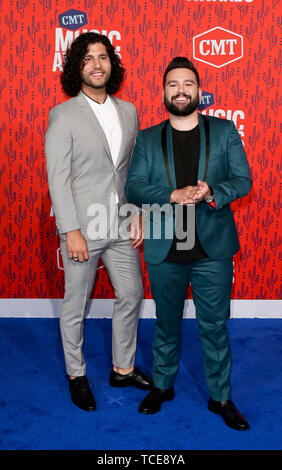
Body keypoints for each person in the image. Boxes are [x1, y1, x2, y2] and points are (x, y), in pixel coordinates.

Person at [125, 57, 251, 430]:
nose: (180, 90)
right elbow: (134, 186)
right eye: (173, 85)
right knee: (165, 324)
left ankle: (221, 397)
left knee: (214, 326)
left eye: (188, 84)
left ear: (199, 90)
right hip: (165, 244)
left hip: (213, 248)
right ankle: (162, 387)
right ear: (163, 92)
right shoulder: (147, 138)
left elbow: (243, 180)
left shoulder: (224, 131)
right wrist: (172, 195)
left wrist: (214, 190)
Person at [45, 32, 152, 412]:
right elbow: (57, 177)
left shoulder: (129, 111)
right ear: (77, 67)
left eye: (102, 57)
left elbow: (133, 172)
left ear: (112, 63)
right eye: (87, 58)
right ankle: (77, 374)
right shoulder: (64, 115)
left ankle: (122, 368)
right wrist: (70, 230)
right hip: (82, 230)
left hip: (120, 224)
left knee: (132, 294)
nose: (96, 64)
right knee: (76, 306)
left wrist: (137, 211)